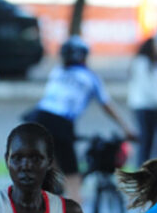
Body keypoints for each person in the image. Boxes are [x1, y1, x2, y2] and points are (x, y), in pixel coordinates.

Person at [22, 36, 137, 202]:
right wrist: (127, 129)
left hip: (36, 118)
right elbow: (107, 106)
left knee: (50, 170)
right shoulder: (90, 77)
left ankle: (44, 207)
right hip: (60, 122)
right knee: (73, 178)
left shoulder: (58, 72)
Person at [128, 37, 157, 168]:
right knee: (146, 140)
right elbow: (147, 87)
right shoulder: (141, 63)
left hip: (155, 107)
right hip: (144, 106)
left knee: (154, 139)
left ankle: (150, 167)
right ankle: (142, 168)